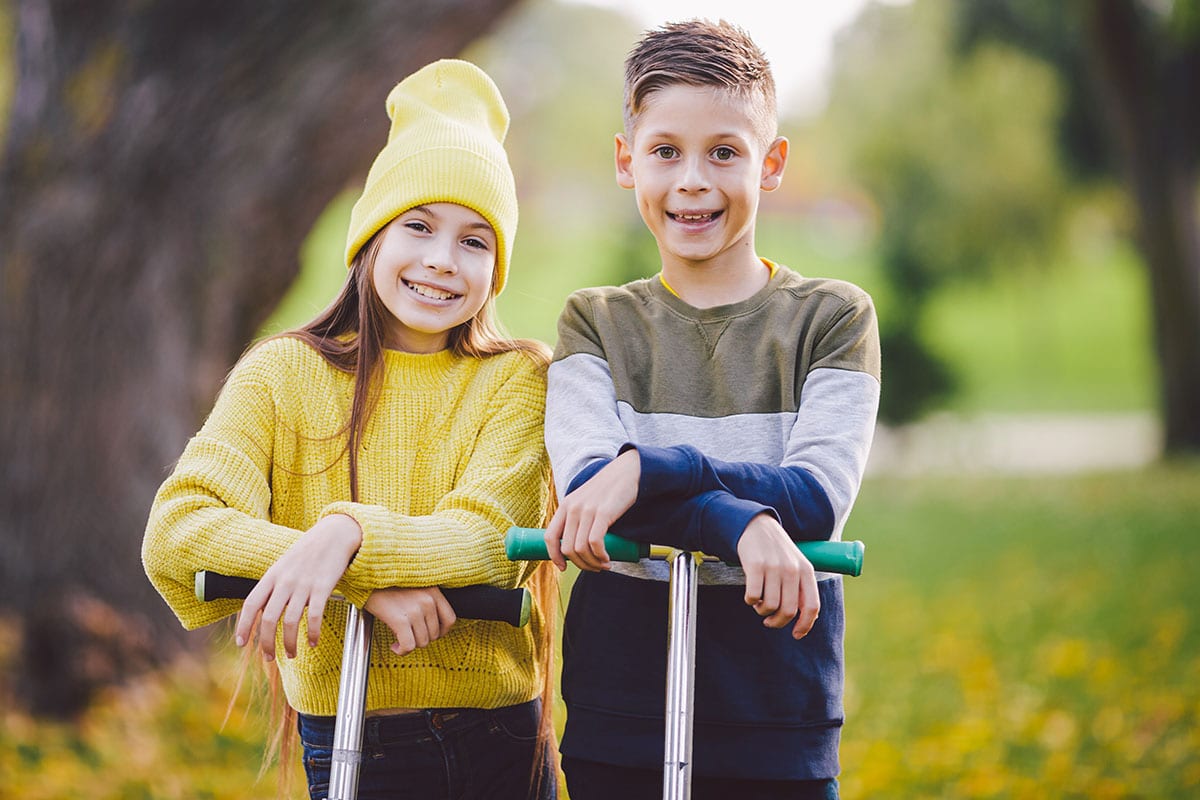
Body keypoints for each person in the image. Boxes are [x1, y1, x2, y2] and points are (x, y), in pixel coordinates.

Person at [142, 59, 558, 800]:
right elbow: (178, 530)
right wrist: (355, 586)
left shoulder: (518, 378)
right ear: (372, 236)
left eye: (474, 241)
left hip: (495, 737)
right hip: (350, 738)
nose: (440, 261)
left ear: (496, 267)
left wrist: (346, 539)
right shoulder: (283, 373)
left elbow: (491, 542)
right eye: (419, 226)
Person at [542, 19, 881, 800]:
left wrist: (654, 470)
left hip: (775, 712)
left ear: (773, 164)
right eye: (666, 151)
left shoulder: (832, 318)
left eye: (724, 151)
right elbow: (594, 486)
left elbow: (815, 502)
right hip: (621, 707)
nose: (693, 179)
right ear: (627, 163)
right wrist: (742, 521)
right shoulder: (593, 322)